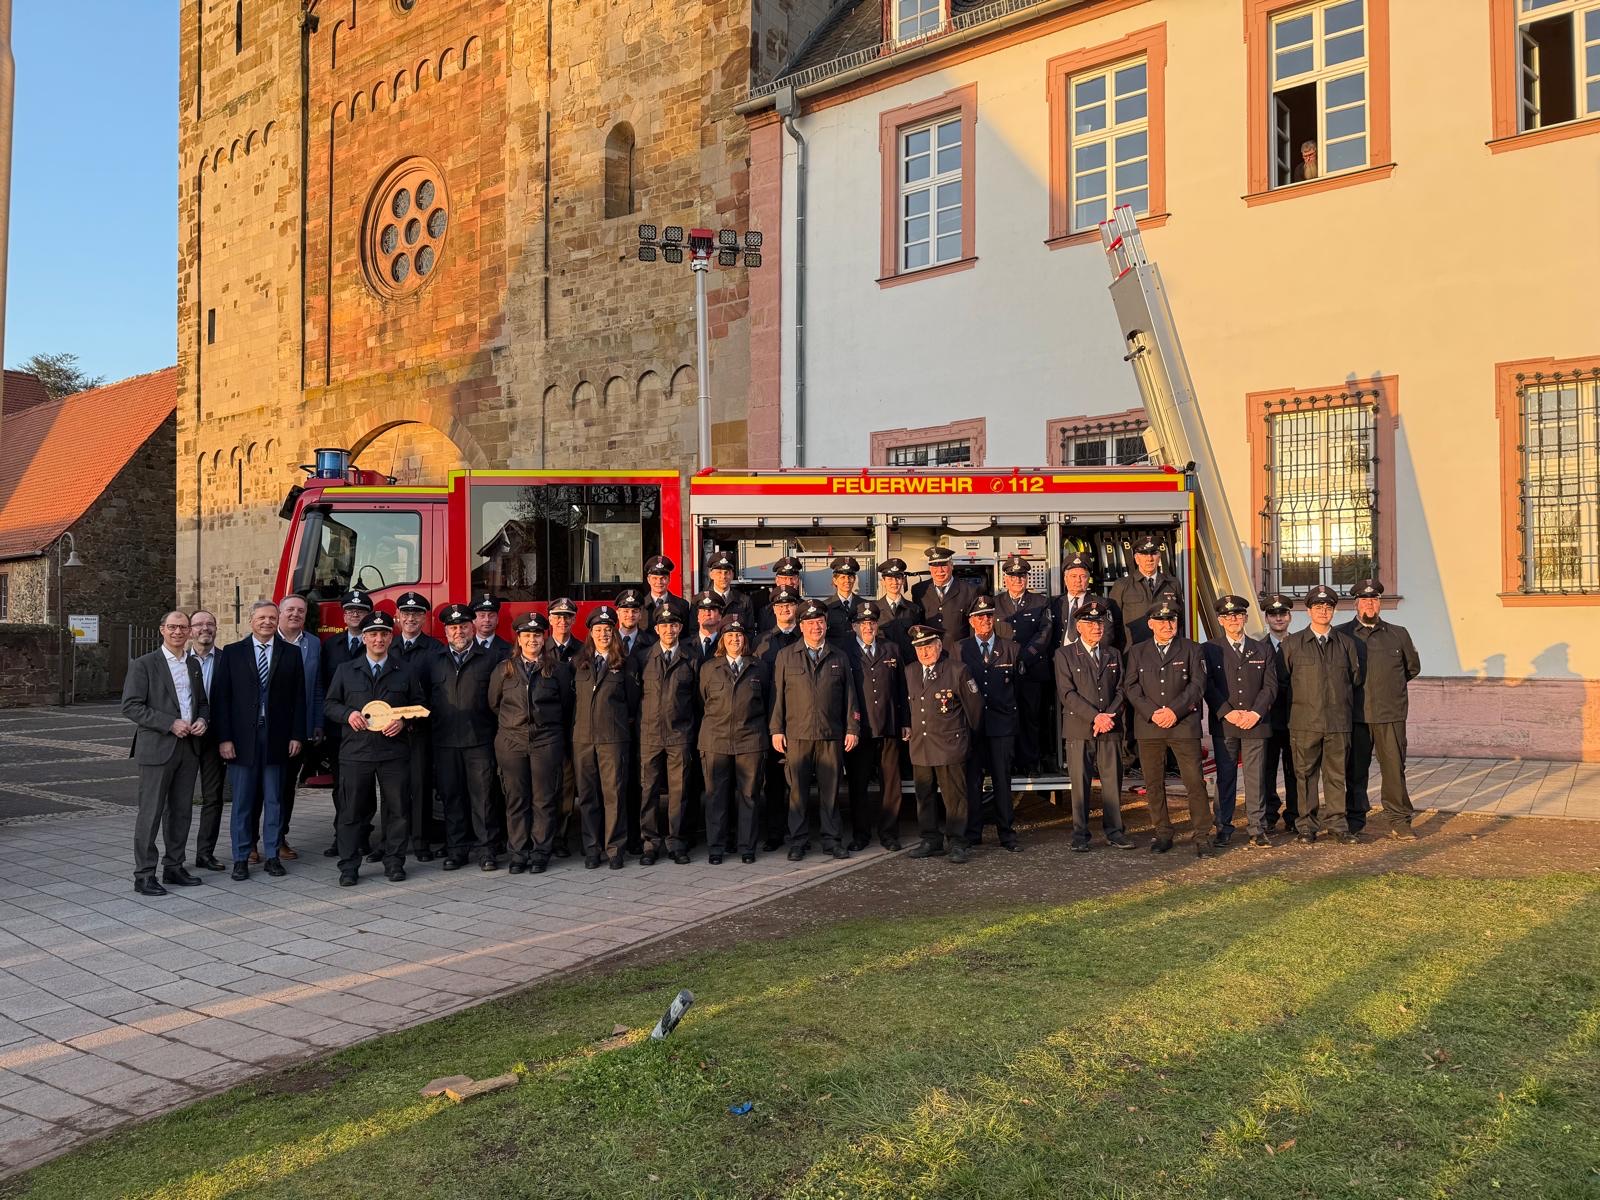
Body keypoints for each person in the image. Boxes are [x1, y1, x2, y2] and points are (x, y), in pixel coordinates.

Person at [324, 608, 423, 885]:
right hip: (357, 752)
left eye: (383, 634)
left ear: (391, 637)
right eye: (373, 634)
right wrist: (348, 715)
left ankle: (394, 862)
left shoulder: (405, 670)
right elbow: (330, 705)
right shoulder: (346, 671)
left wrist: (403, 721)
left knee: (397, 810)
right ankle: (349, 866)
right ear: (364, 638)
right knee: (352, 811)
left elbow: (420, 706)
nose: (378, 639)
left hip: (393, 752)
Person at [211, 599, 306, 881]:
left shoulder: (291, 653)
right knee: (242, 801)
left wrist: (297, 734)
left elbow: (299, 698)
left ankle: (273, 855)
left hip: (277, 737)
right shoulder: (232, 653)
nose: (267, 622)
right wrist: (224, 738)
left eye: (272, 618)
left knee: (275, 800)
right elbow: (221, 699)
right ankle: (241, 857)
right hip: (241, 740)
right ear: (251, 620)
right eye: (262, 617)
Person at [121, 611, 209, 896]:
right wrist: (169, 723)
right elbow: (131, 706)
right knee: (151, 813)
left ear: (189, 632)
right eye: (172, 627)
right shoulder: (144, 664)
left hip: (188, 748)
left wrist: (203, 721)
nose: (177, 632)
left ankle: (174, 866)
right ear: (162, 630)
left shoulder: (194, 664)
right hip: (157, 747)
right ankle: (144, 874)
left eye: (183, 627)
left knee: (181, 812)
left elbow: (204, 703)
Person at [769, 599, 860, 861]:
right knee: (797, 792)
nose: (815, 627)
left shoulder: (838, 656)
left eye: (819, 622)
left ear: (825, 624)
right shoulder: (786, 656)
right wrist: (776, 729)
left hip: (831, 735)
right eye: (809, 623)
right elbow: (778, 696)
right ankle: (798, 841)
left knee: (830, 792)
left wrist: (852, 727)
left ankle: (832, 840)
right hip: (797, 735)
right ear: (801, 626)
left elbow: (850, 696)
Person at [1124, 599, 1214, 856]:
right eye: (1162, 621)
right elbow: (1130, 687)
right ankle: (1162, 832)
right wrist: (1153, 713)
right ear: (1151, 624)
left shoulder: (1192, 649)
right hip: (1149, 726)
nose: (1168, 625)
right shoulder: (1137, 652)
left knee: (1194, 782)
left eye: (1172, 620)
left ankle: (1202, 836)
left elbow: (1197, 685)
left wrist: (1174, 711)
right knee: (1153, 783)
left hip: (1183, 725)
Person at [489, 612, 574, 875]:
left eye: (537, 635)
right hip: (512, 742)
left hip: (546, 742)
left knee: (544, 800)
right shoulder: (505, 669)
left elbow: (567, 706)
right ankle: (518, 852)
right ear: (519, 638)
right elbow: (494, 703)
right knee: (516, 799)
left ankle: (540, 853)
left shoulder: (558, 669)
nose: (532, 640)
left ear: (544, 637)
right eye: (527, 635)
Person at [1280, 584, 1363, 845]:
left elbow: (1355, 679)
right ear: (1308, 610)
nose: (1323, 611)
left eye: (1328, 607)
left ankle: (1338, 824)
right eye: (1318, 607)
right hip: (1304, 723)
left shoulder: (1347, 643)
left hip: (1338, 722)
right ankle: (1306, 826)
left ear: (1334, 611)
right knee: (1304, 776)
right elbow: (1283, 682)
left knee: (1336, 775)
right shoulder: (1292, 644)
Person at [1338, 579, 1421, 839]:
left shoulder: (1398, 633)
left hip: (1390, 714)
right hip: (1356, 715)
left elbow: (1411, 668)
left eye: (1374, 600)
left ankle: (1399, 820)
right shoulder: (1342, 635)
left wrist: (1389, 691)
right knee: (1355, 770)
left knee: (1394, 769)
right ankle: (1355, 819)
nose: (1369, 604)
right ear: (1356, 604)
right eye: (1364, 600)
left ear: (1380, 604)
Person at [427, 603, 501, 870]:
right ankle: (456, 850)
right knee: (452, 798)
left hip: (480, 741)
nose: (458, 631)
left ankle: (486, 850)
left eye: (463, 626)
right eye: (453, 627)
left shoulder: (490, 659)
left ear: (473, 627)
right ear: (445, 632)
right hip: (445, 742)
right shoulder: (433, 661)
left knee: (483, 799)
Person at [1202, 595, 1278, 849]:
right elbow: (1207, 686)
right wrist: (1227, 712)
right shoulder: (1210, 649)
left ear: (1245, 618)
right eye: (1227, 616)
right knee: (1225, 777)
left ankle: (1257, 828)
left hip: (1255, 723)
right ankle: (1223, 827)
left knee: (1256, 778)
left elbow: (1270, 686)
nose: (1233, 620)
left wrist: (1255, 713)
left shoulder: (1262, 649)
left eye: (1238, 615)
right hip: (1226, 723)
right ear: (1221, 621)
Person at [1054, 601, 1131, 851]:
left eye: (1100, 623)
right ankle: (1080, 835)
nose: (1097, 628)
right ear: (1079, 627)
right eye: (1090, 623)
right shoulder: (1064, 654)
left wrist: (1108, 716)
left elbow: (1121, 690)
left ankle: (1115, 831)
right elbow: (1067, 693)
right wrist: (1094, 717)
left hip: (1110, 727)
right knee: (1080, 783)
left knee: (1112, 781)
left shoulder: (1113, 654)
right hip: (1079, 727)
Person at [904, 624, 983, 863]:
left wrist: (967, 740)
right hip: (921, 745)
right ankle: (931, 840)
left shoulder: (957, 671)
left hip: (950, 745)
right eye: (919, 648)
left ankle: (958, 842)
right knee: (924, 796)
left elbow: (975, 709)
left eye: (928, 646)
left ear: (939, 646)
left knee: (954, 798)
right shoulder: (910, 671)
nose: (924, 652)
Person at [572, 605, 641, 869]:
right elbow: (570, 702)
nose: (603, 634)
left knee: (614, 795)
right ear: (590, 633)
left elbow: (633, 703)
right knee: (588, 796)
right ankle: (592, 848)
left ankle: (615, 849)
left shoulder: (626, 663)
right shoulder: (579, 663)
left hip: (613, 739)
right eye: (598, 630)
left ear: (614, 633)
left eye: (607, 630)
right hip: (583, 739)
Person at [699, 614, 769, 864]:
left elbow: (768, 701)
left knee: (749, 796)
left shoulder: (758, 667)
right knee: (716, 796)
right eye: (730, 635)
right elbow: (702, 702)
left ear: (745, 639)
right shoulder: (709, 668)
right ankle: (716, 847)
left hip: (750, 740)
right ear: (722, 640)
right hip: (715, 740)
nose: (735, 639)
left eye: (739, 635)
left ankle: (746, 847)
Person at [842, 599, 909, 852]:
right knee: (858, 785)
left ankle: (889, 833)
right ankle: (861, 834)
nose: (868, 627)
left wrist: (905, 722)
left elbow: (902, 688)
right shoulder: (844, 650)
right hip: (860, 729)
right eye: (862, 623)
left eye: (871, 622)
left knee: (891, 784)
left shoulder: (891, 649)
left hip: (889, 726)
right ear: (854, 626)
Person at [638, 600, 700, 865]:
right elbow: (633, 698)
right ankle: (650, 843)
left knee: (679, 791)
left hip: (680, 735)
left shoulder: (692, 658)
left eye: (673, 625)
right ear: (656, 628)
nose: (669, 629)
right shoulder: (642, 658)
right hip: (650, 735)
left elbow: (699, 700)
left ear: (680, 627)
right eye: (663, 625)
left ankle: (677, 842)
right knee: (648, 791)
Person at [959, 593, 1021, 853]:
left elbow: (1018, 688)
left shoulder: (1011, 648)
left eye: (988, 616)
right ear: (971, 621)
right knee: (972, 781)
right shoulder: (959, 648)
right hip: (972, 726)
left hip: (1001, 725)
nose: (985, 620)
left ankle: (1007, 834)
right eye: (979, 616)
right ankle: (973, 833)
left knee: (1002, 781)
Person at [320, 588, 374, 859]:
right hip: (340, 729)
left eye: (361, 610)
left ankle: (363, 835)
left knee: (366, 786)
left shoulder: (377, 640)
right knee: (341, 786)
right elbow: (324, 690)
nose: (355, 614)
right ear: (343, 615)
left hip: (372, 729)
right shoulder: (330, 646)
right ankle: (341, 836)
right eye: (350, 610)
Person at [994, 554, 1054, 775]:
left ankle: (1030, 763)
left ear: (1027, 578)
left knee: (1031, 719)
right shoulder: (995, 603)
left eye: (1021, 576)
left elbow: (1044, 634)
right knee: (1006, 718)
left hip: (1032, 671)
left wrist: (1024, 657)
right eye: (1013, 576)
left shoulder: (1040, 602)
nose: (1017, 580)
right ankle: (1007, 764)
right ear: (1005, 579)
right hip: (1003, 671)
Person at [755, 586, 803, 850]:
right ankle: (774, 833)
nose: (785, 609)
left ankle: (800, 832)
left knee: (799, 780)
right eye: (780, 606)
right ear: (773, 610)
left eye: (790, 605)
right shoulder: (760, 642)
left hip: (800, 719)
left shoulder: (805, 636)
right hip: (771, 719)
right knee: (773, 781)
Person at [393, 591, 441, 858]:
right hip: (389, 730)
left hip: (419, 729)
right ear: (397, 617)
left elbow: (437, 691)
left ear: (425, 618)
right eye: (406, 613)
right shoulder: (388, 645)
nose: (411, 618)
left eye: (417, 614)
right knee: (392, 788)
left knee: (421, 786)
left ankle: (420, 842)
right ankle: (391, 842)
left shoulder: (435, 650)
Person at [186, 609, 227, 872]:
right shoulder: (179, 661)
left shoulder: (228, 660)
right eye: (199, 624)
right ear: (190, 630)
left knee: (213, 798)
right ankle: (175, 854)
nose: (205, 628)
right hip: (185, 738)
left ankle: (205, 853)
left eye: (210, 624)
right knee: (179, 799)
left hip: (215, 738)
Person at [1260, 594, 1298, 833]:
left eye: (1282, 614)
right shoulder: (1257, 648)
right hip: (1269, 719)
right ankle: (1269, 814)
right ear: (1266, 618)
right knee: (1267, 770)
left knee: (1295, 770)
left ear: (1290, 617)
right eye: (1273, 614)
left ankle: (1294, 815)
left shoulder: (1302, 644)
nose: (1278, 618)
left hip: (1296, 718)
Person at [1108, 536, 1181, 646]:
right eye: (1144, 554)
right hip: (1133, 652)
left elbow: (1180, 619)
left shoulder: (1172, 583)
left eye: (1153, 554)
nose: (1149, 559)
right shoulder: (1122, 585)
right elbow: (1112, 623)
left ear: (1159, 557)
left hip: (1167, 651)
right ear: (1136, 559)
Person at [911, 545, 980, 650]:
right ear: (930, 568)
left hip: (959, 653)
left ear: (952, 565)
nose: (940, 571)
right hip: (930, 652)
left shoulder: (969, 590)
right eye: (934, 566)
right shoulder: (919, 590)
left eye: (944, 565)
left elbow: (974, 627)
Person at [1053, 551, 1121, 651]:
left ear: (1088, 579)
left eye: (1083, 576)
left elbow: (1106, 636)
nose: (1078, 580)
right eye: (1073, 576)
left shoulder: (1101, 604)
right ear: (1065, 579)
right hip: (1058, 658)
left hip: (1089, 658)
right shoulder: (1053, 603)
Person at [872, 558, 917, 656]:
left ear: (903, 580)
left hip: (908, 662)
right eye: (890, 579)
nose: (895, 582)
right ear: (883, 582)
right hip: (883, 661)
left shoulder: (914, 609)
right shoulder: (874, 609)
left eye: (898, 578)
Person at [705, 551, 757, 628]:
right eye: (719, 572)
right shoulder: (701, 600)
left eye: (727, 572)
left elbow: (749, 631)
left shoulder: (744, 601)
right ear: (711, 575)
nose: (723, 577)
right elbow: (694, 631)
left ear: (732, 575)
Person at [820, 556, 864, 643]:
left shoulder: (864, 605)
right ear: (835, 580)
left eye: (850, 577)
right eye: (843, 577)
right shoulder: (825, 607)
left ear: (854, 579)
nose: (847, 581)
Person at [757, 556, 805, 632]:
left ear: (798, 580)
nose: (789, 583)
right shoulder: (766, 611)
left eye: (792, 578)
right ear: (777, 580)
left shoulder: (805, 608)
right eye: (784, 578)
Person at [642, 555, 684, 631]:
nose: (659, 582)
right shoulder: (640, 606)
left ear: (669, 579)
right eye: (655, 578)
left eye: (663, 578)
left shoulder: (682, 605)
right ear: (648, 580)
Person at [470, 593, 512, 664]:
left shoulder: (510, 650)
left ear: (497, 620)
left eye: (491, 616)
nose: (487, 619)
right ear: (473, 620)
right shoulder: (465, 647)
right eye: (482, 616)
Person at [690, 590, 725, 661]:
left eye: (711, 609)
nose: (707, 613)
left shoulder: (726, 644)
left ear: (720, 616)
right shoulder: (686, 646)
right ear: (697, 616)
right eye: (703, 610)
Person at [547, 597, 582, 663]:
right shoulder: (541, 648)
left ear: (573, 620)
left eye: (567, 617)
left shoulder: (583, 649)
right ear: (550, 620)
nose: (563, 621)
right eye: (558, 617)